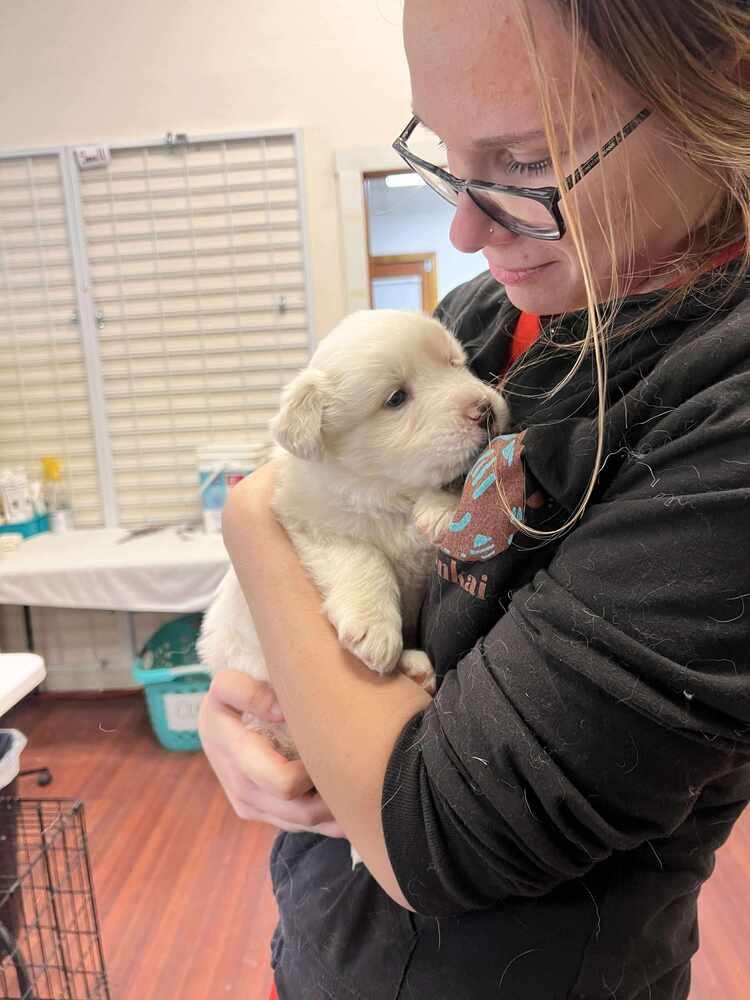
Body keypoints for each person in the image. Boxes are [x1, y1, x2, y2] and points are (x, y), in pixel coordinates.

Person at [198, 0, 750, 996]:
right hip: (325, 941)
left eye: (529, 161)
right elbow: (342, 516)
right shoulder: (494, 313)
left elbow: (439, 832)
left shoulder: (720, 416)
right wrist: (239, 711)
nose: (462, 225)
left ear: (728, 87)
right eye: (446, 152)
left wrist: (253, 526)